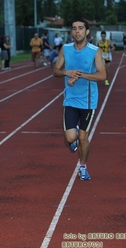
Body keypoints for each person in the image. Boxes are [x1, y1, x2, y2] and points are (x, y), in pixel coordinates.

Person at [53, 18, 106, 181]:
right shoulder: (66, 49)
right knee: (70, 138)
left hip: (88, 102)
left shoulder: (95, 51)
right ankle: (74, 137)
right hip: (70, 100)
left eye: (81, 28)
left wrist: (81, 74)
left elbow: (102, 75)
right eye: (74, 28)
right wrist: (66, 72)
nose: (77, 31)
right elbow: (56, 70)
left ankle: (83, 166)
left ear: (87, 31)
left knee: (83, 138)